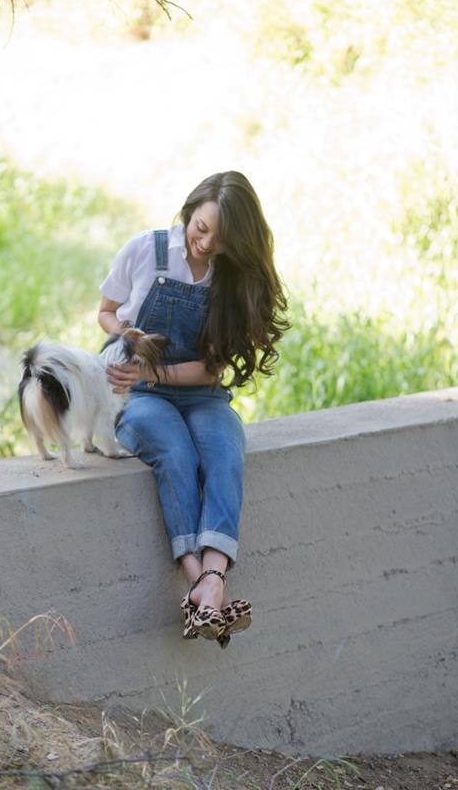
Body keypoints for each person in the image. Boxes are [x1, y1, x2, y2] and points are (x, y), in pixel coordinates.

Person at [98, 171, 288, 648]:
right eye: (200, 228)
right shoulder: (146, 249)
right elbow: (105, 309)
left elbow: (210, 370)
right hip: (138, 395)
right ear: (191, 208)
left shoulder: (234, 278)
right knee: (175, 452)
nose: (204, 244)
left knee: (224, 451)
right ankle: (197, 576)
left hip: (198, 392)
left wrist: (150, 372)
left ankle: (213, 578)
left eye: (220, 241)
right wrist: (126, 339)